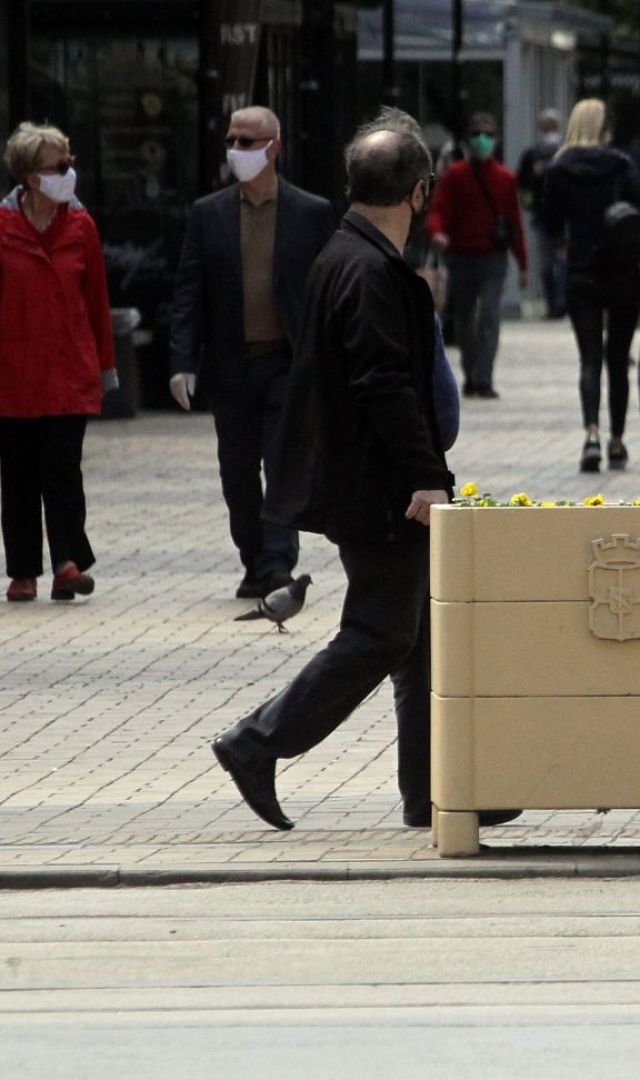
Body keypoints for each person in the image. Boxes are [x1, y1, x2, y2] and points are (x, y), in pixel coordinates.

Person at [211, 107, 518, 834]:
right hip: (381, 491)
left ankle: (434, 792)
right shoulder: (368, 269)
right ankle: (258, 741)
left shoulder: (348, 254)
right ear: (419, 192)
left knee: (420, 634)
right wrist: (425, 477)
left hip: (368, 483)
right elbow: (383, 382)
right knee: (382, 633)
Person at [170, 106, 338, 600]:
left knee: (283, 463)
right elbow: (188, 293)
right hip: (230, 365)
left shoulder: (311, 212)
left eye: (248, 141)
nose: (237, 149)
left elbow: (329, 289)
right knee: (238, 472)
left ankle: (277, 564)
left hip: (286, 362)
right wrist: (182, 361)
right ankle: (253, 558)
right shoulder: (209, 214)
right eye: (232, 140)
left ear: (274, 149)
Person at [0, 123, 113, 604]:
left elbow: (97, 304)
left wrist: (106, 370)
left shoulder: (80, 226)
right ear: (29, 176)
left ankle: (67, 564)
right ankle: (23, 571)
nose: (69, 173)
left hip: (70, 373)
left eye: (71, 163)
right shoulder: (3, 229)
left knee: (63, 468)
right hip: (14, 375)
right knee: (19, 473)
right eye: (58, 166)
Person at [542, 99, 640, 474]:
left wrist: (570, 248)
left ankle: (591, 434)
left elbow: (549, 225)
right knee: (618, 361)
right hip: (624, 273)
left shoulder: (559, 168)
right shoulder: (623, 166)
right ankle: (617, 441)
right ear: (604, 127)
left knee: (590, 359)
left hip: (583, 274)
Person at [428, 111, 527, 399]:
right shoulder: (455, 176)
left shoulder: (505, 179)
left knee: (489, 317)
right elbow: (440, 210)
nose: (481, 140)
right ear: (468, 140)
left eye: (487, 134)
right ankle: (471, 373)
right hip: (460, 257)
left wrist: (522, 263)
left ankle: (483, 377)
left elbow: (514, 222)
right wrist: (437, 233)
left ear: (495, 141)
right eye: (476, 134)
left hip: (493, 258)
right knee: (464, 321)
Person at [517, 106, 567, 319]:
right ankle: (552, 304)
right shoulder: (532, 154)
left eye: (553, 126)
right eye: (546, 126)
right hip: (542, 217)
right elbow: (521, 183)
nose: (549, 130)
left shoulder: (566, 152)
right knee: (546, 264)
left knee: (564, 263)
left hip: (566, 218)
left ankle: (564, 303)